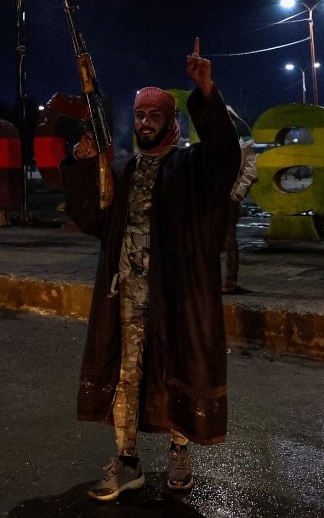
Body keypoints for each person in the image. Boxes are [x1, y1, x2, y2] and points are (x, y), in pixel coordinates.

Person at [61, 37, 240, 502]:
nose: (145, 122)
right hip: (127, 296)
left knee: (179, 366)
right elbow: (95, 220)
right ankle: (127, 462)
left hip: (177, 294)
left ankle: (179, 453)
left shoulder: (192, 167)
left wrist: (206, 92)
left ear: (169, 120)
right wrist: (82, 166)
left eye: (154, 115)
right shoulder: (123, 171)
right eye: (139, 115)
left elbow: (226, 155)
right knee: (128, 374)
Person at [222, 107, 258, 294]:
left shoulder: (243, 142)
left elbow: (251, 170)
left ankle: (231, 281)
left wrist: (237, 194)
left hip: (229, 198)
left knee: (229, 240)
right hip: (212, 198)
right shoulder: (213, 138)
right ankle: (209, 281)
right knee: (208, 239)